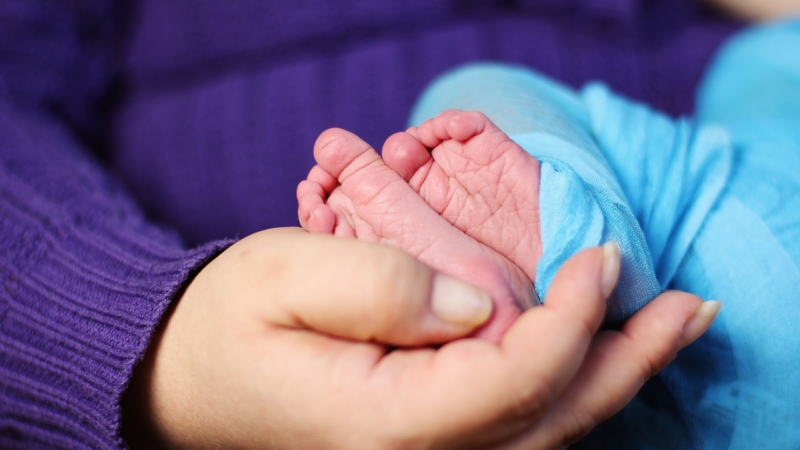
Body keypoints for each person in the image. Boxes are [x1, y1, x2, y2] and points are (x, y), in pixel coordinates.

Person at [0, 1, 738, 448]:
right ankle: (561, 238)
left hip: (719, 135)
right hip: (248, 328)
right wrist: (168, 348)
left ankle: (564, 240)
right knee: (506, 113)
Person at [298, 12, 800, 450]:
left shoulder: (759, 55)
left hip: (709, 248)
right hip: (746, 248)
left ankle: (561, 245)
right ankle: (562, 245)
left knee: (478, 88)